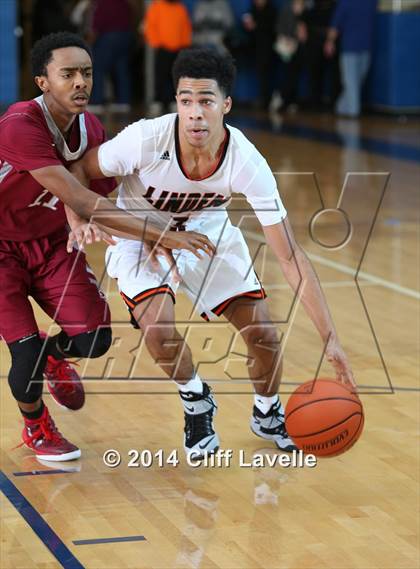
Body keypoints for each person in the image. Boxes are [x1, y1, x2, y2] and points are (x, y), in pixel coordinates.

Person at [71, 46, 355, 459]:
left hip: (204, 230)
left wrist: (331, 338)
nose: (195, 113)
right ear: (177, 104)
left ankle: (267, 412)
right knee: (158, 329)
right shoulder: (145, 139)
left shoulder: (245, 161)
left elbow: (290, 256)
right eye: (186, 101)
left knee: (264, 336)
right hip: (139, 231)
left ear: (226, 105)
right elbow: (79, 170)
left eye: (205, 101)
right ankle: (196, 400)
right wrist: (80, 218)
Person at [0, 33, 215, 462]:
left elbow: (97, 201)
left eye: (87, 73)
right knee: (23, 355)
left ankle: (55, 356)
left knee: (95, 338)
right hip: (1, 248)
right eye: (68, 74)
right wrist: (162, 235)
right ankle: (36, 426)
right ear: (43, 81)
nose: (81, 82)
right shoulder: (19, 124)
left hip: (49, 242)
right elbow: (78, 196)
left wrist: (105, 226)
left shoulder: (91, 129)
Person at [324, 0, 377, 118]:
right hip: (351, 49)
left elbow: (334, 27)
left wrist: (329, 42)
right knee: (353, 86)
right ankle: (353, 114)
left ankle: (340, 108)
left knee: (353, 85)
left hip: (363, 48)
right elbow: (335, 26)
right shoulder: (347, 3)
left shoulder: (368, 2)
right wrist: (329, 42)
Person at [143, 0, 192, 115]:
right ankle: (158, 101)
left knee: (176, 77)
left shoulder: (180, 7)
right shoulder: (157, 6)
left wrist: (185, 44)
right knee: (160, 76)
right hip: (162, 49)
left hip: (178, 49)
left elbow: (186, 26)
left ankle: (174, 101)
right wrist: (156, 43)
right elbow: (150, 25)